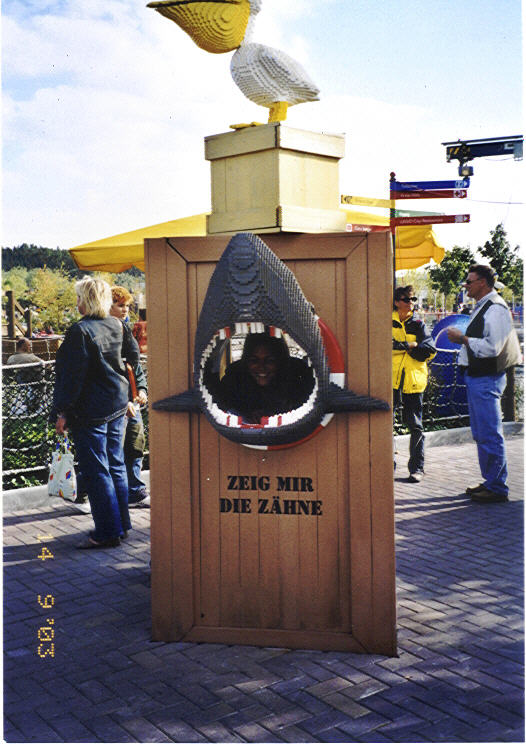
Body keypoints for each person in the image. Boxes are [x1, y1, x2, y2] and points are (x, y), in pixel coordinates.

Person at [51, 277, 139, 548]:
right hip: (117, 404)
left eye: (79, 297)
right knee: (116, 465)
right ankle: (121, 525)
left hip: (91, 411)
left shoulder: (80, 331)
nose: (77, 302)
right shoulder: (117, 324)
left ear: (87, 300)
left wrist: (62, 412)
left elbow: (71, 378)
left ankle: (107, 532)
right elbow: (132, 358)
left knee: (97, 470)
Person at [447, 264, 522, 503]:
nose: (465, 286)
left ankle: (497, 487)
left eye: (469, 282)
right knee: (483, 432)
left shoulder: (495, 309)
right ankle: (492, 481)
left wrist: (462, 339)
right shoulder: (485, 306)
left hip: (486, 378)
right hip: (479, 377)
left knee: (489, 432)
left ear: (482, 283)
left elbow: (492, 348)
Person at [216, 333, 314, 424]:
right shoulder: (235, 378)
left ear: (280, 362)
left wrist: (277, 415)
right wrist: (246, 414)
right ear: (246, 362)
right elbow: (221, 403)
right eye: (254, 361)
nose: (261, 367)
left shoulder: (297, 379)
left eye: (269, 361)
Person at [110, 286, 150, 507]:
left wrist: (142, 390)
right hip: (114, 403)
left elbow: (136, 368)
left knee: (135, 444)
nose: (124, 309)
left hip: (132, 400)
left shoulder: (126, 330)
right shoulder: (105, 333)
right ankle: (89, 492)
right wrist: (122, 401)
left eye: (126, 305)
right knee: (111, 450)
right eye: (119, 305)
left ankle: (135, 491)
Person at [392, 286, 436, 482]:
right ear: (396, 302)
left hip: (414, 381)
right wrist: (411, 345)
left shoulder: (418, 324)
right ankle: (388, 465)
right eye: (406, 299)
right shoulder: (386, 321)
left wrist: (408, 347)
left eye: (413, 299)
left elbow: (430, 350)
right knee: (386, 424)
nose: (410, 303)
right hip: (391, 380)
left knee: (415, 425)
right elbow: (383, 345)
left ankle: (417, 468)